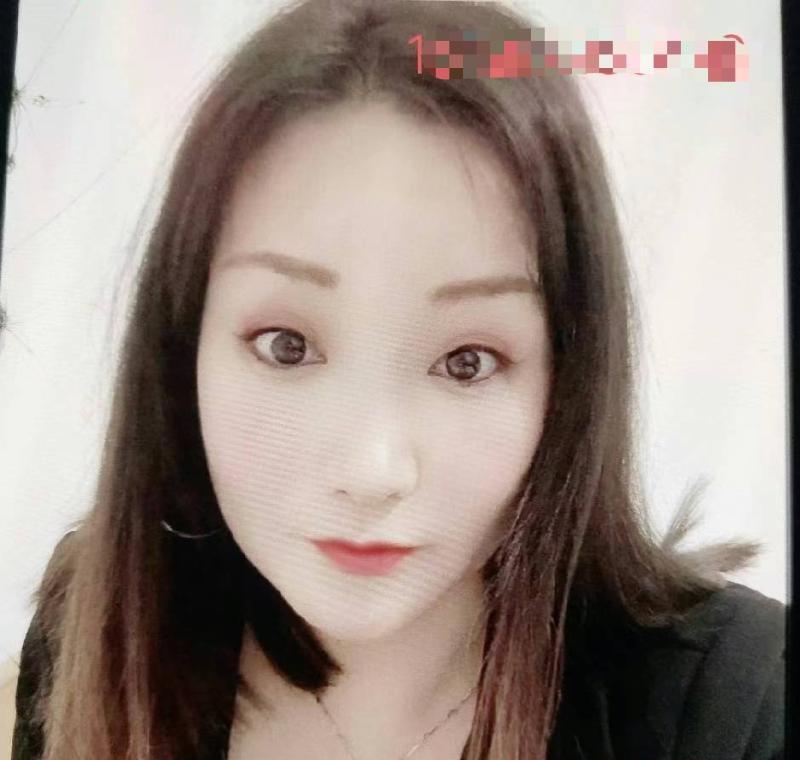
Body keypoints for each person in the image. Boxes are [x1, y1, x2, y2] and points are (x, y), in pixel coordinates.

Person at [10, 1, 785, 759]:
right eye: (287, 346)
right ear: (182, 348)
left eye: (467, 361)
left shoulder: (736, 702)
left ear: (569, 377)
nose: (371, 472)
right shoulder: (100, 619)